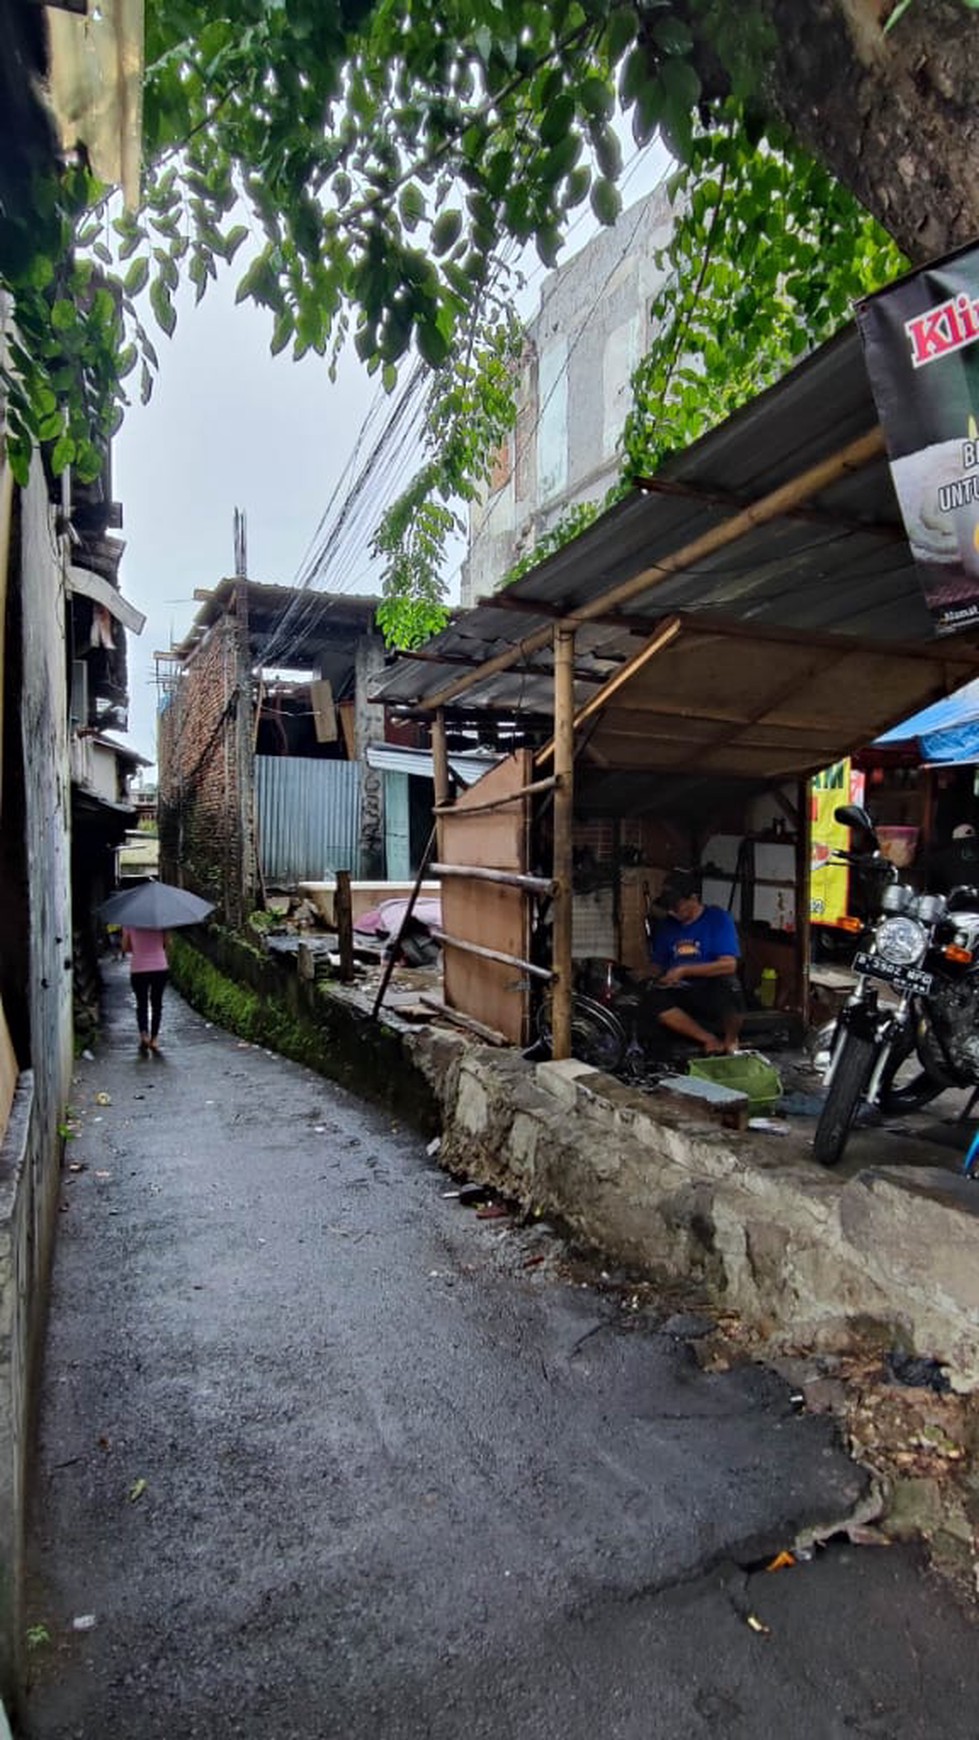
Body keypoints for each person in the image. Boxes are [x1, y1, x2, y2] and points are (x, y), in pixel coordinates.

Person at [645, 872, 743, 1055]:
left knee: (732, 988)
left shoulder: (718, 919)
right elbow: (658, 964)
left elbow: (729, 965)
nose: (672, 911)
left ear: (694, 898)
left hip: (711, 989)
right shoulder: (667, 925)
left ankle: (730, 1041)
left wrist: (685, 970)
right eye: (669, 907)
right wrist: (649, 976)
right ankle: (708, 1039)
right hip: (680, 991)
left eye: (677, 905)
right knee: (652, 1000)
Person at [121, 926, 169, 1054]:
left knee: (141, 1003)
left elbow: (125, 947)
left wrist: (137, 947)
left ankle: (144, 1035)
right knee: (157, 1004)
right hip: (159, 967)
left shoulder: (129, 923)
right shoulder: (161, 922)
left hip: (139, 968)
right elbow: (167, 943)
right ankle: (154, 1039)